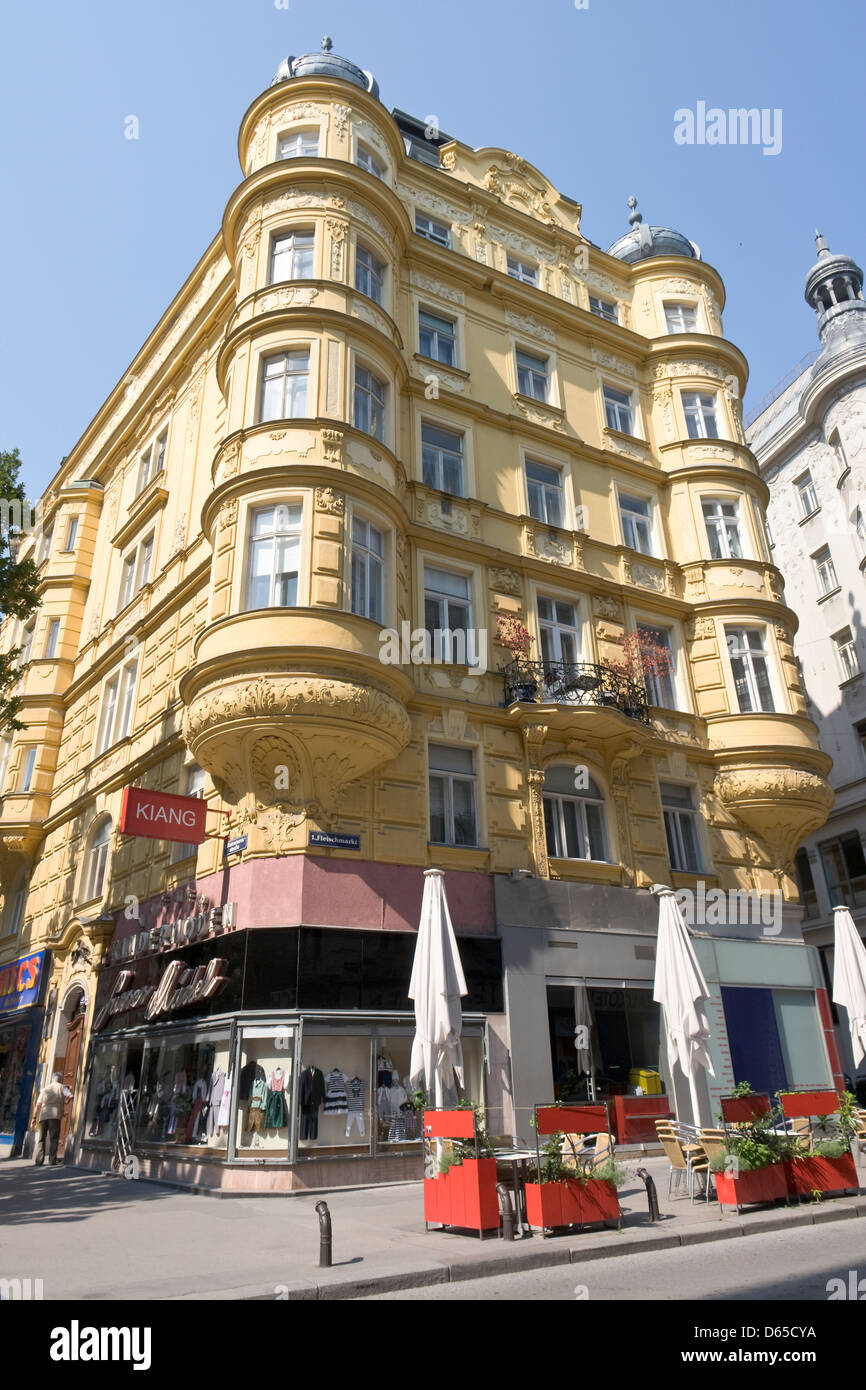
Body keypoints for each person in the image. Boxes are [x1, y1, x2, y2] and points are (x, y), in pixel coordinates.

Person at [33, 1072, 72, 1166]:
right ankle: (52, 1160)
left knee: (41, 1138)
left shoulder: (45, 1089)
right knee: (54, 1138)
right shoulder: (62, 1087)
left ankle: (39, 1160)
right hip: (55, 1115)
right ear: (60, 1079)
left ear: (52, 1079)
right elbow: (71, 1095)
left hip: (43, 1115)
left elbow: (38, 1105)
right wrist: (66, 1101)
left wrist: (34, 1118)